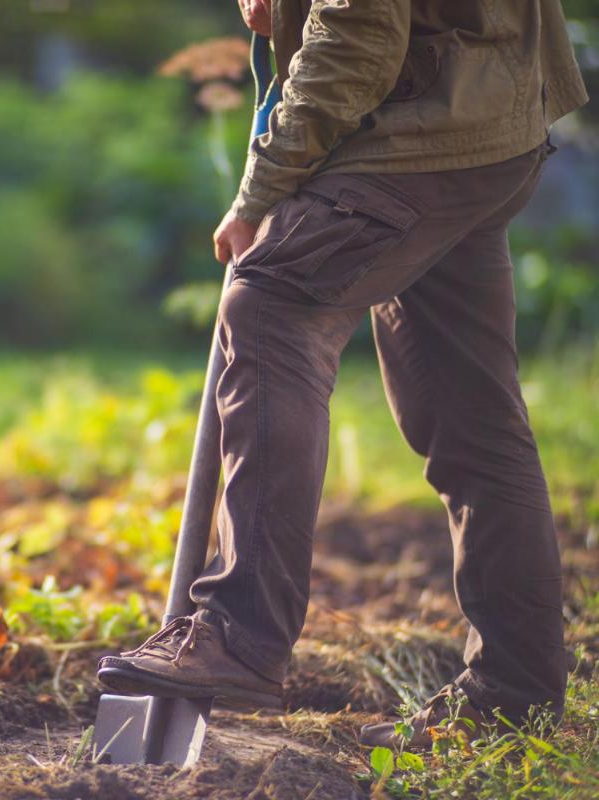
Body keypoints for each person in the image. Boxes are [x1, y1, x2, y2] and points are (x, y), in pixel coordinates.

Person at [96, 0, 589, 749]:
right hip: (489, 115)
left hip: (428, 124)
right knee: (470, 417)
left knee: (269, 305)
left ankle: (240, 634)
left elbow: (356, 35)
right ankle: (515, 695)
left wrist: (261, 191)